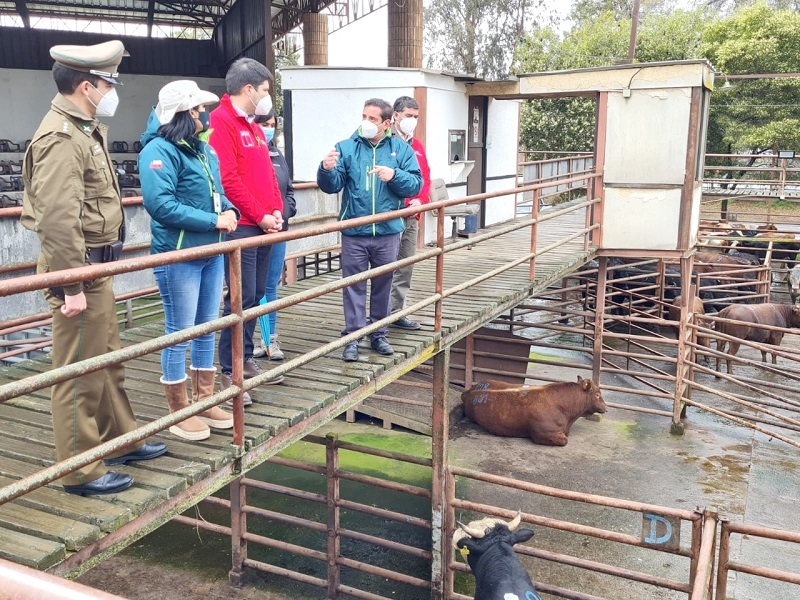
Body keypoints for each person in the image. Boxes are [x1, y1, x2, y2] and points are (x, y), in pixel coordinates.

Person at [20, 40, 166, 496]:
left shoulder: (83, 128)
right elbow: (58, 220)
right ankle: (79, 469)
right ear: (87, 86)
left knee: (105, 363)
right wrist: (70, 285)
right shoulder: (61, 137)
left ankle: (118, 437)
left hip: (96, 269)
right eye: (108, 83)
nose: (111, 91)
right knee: (77, 373)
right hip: (79, 271)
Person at [139, 80, 240, 440]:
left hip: (210, 251)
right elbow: (160, 205)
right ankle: (178, 409)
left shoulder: (202, 151)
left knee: (205, 327)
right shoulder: (159, 151)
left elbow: (218, 193)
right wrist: (214, 220)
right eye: (198, 110)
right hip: (179, 254)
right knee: (179, 331)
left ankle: (204, 400)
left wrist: (228, 211)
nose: (204, 115)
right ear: (184, 113)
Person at [317, 98, 422, 362]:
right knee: (353, 285)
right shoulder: (346, 148)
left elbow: (416, 185)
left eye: (373, 119)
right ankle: (353, 337)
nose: (366, 122)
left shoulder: (401, 149)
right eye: (364, 116)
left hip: (387, 232)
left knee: (383, 284)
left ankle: (379, 334)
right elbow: (332, 185)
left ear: (387, 123)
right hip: (354, 231)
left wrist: (394, 175)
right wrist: (326, 169)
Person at [209, 57, 285, 405]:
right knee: (239, 299)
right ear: (249, 89)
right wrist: (259, 214)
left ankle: (246, 356)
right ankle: (230, 368)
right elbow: (229, 180)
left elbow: (268, 174)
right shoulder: (221, 121)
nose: (268, 97)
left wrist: (276, 210)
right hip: (242, 226)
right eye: (266, 90)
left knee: (254, 295)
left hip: (263, 224)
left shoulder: (254, 126)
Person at [253, 110, 297, 361]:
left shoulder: (277, 154)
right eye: (263, 124)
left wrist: (282, 214)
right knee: (250, 288)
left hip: (279, 229)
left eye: (272, 125)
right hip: (253, 229)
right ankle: (247, 344)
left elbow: (289, 192)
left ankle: (270, 339)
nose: (268, 129)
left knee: (271, 285)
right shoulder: (247, 152)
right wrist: (262, 217)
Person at [389, 96, 431, 331]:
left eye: (415, 117)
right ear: (395, 115)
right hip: (390, 214)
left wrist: (420, 200)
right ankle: (378, 315)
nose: (412, 121)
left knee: (405, 265)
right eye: (408, 116)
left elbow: (425, 177)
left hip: (411, 215)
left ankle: (396, 312)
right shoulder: (385, 142)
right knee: (385, 265)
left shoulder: (417, 146)